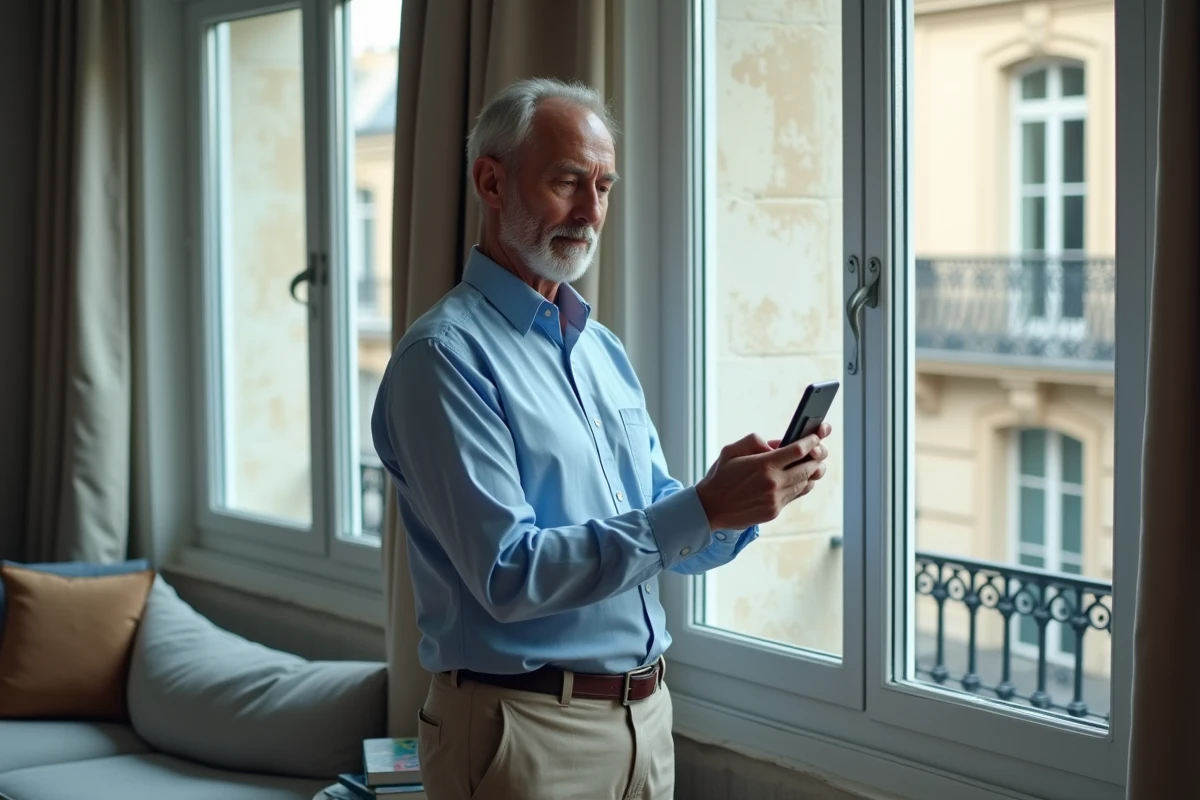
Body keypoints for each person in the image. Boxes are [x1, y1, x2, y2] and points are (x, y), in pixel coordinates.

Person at [370, 77, 833, 800]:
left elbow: (658, 526)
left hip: (645, 723)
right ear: (491, 181)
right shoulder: (444, 360)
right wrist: (700, 508)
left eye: (606, 186)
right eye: (567, 182)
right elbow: (508, 575)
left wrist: (738, 501)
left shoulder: (599, 349)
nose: (591, 212)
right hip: (522, 732)